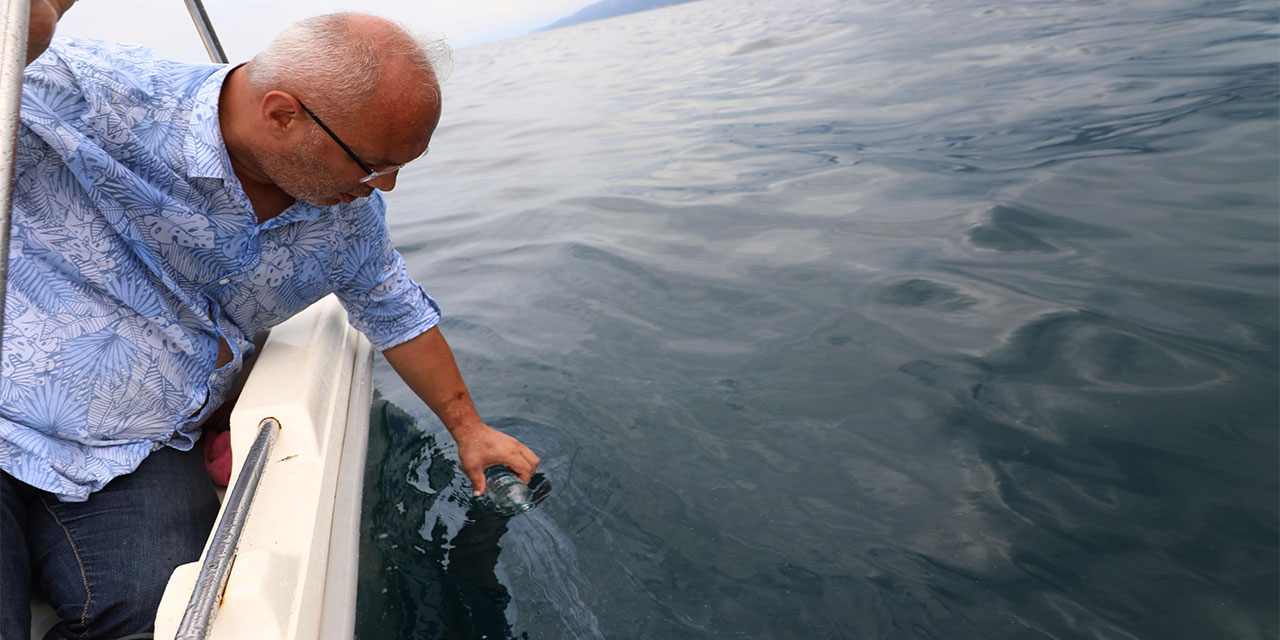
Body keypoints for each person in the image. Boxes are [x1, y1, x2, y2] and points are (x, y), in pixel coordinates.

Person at [1, 3, 540, 637]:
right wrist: (25, 32)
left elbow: (395, 309)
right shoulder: (87, 89)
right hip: (9, 412)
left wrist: (468, 426)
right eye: (372, 165)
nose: (385, 187)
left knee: (164, 620)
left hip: (141, 448)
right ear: (282, 114)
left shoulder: (346, 215)